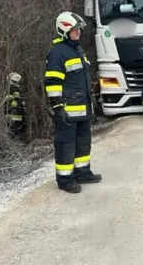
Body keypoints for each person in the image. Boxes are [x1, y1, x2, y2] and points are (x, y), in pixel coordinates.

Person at [44, 11, 102, 194]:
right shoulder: (57, 53)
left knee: (83, 142)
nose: (78, 33)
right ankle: (65, 179)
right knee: (66, 144)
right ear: (64, 30)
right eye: (75, 30)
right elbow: (53, 82)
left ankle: (82, 172)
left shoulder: (77, 49)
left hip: (83, 108)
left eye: (79, 30)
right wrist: (57, 107)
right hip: (67, 111)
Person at [5, 72, 26, 141]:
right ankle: (12, 137)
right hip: (12, 108)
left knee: (17, 122)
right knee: (14, 123)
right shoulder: (10, 87)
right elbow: (9, 98)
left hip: (16, 108)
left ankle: (16, 137)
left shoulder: (15, 87)